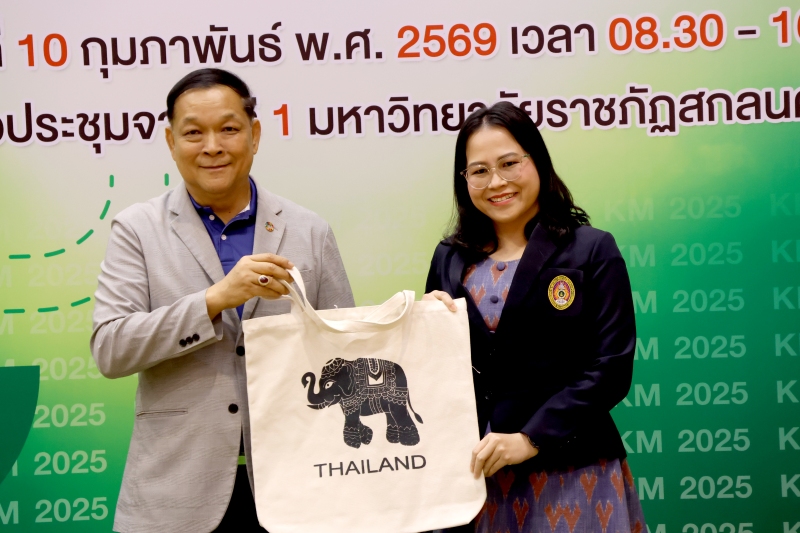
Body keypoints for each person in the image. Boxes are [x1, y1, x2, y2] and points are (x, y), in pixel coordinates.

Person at [90, 68, 354, 533]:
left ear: (255, 135)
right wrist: (213, 300)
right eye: (194, 132)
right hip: (177, 493)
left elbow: (345, 349)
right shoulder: (137, 229)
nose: (212, 146)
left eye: (229, 129)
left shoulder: (309, 229)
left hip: (297, 486)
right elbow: (111, 349)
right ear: (171, 141)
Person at [424, 102, 647, 531]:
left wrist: (530, 439)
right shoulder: (449, 258)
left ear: (537, 161)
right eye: (479, 171)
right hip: (475, 478)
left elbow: (611, 368)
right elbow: (432, 374)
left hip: (573, 472)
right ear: (464, 180)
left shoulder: (591, 249)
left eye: (509, 163)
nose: (497, 182)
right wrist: (424, 328)